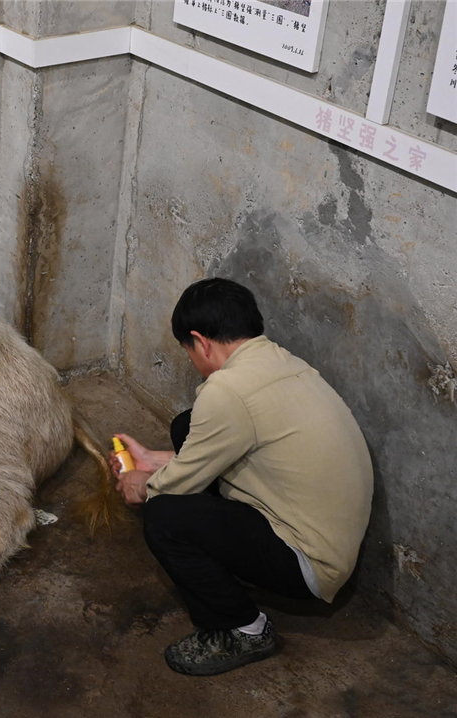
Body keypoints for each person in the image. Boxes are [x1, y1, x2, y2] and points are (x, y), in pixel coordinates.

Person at [113, 278, 373, 676]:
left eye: (188, 352)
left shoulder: (227, 391)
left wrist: (141, 485)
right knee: (188, 426)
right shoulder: (284, 363)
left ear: (200, 341)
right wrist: (152, 459)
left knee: (165, 517)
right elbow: (224, 443)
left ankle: (244, 629)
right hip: (324, 536)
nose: (193, 361)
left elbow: (170, 489)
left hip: (309, 564)